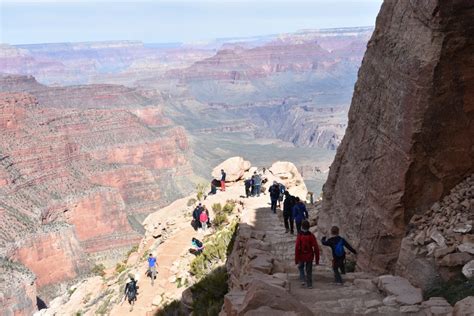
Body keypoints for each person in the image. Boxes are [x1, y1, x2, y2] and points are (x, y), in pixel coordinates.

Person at [295, 220, 319, 289]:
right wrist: (317, 260)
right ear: (309, 227)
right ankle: (309, 284)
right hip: (309, 255)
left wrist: (296, 259)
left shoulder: (299, 235)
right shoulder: (311, 235)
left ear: (302, 227)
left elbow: (297, 247)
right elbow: (316, 248)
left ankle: (302, 279)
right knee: (309, 270)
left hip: (301, 255)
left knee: (300, 267)